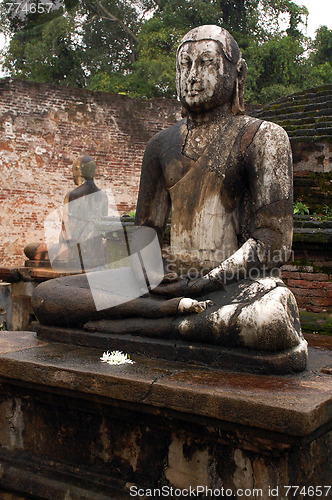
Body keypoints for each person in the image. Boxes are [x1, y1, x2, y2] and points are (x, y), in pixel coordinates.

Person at [32, 26, 307, 369]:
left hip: (231, 284)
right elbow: (146, 232)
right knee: (48, 296)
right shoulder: (160, 146)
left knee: (270, 321)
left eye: (206, 63)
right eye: (184, 64)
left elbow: (273, 241)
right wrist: (153, 274)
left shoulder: (262, 137)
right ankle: (166, 316)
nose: (192, 76)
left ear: (238, 74)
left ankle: (137, 322)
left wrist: (206, 280)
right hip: (170, 283)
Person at [25, 155, 108, 270]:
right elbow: (104, 226)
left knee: (30, 249)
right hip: (95, 252)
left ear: (78, 170)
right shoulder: (103, 196)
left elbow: (67, 232)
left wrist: (62, 245)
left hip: (74, 252)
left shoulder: (72, 195)